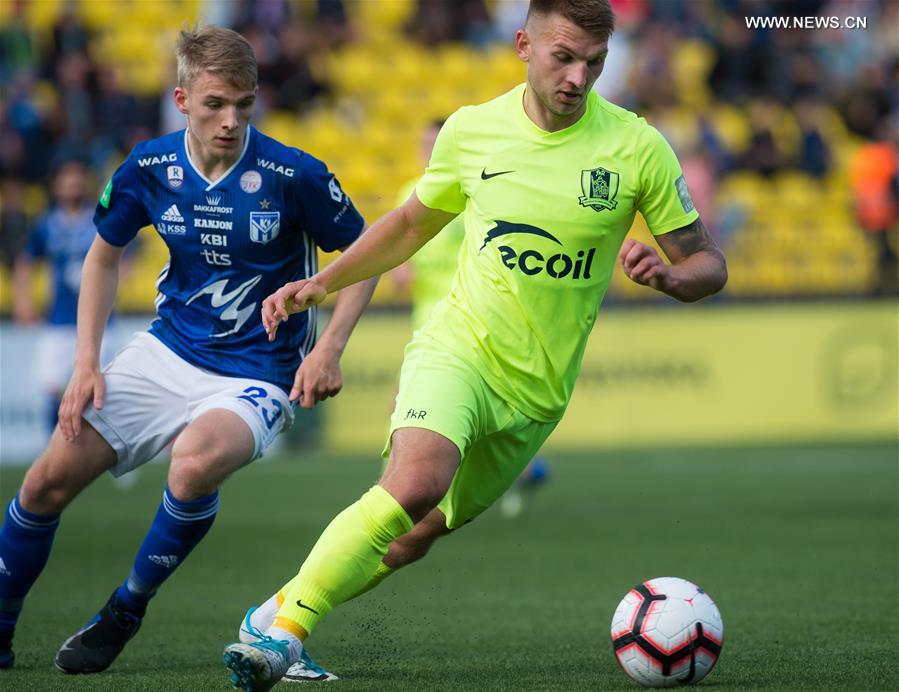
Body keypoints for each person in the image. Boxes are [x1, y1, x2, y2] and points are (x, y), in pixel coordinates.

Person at [224, 1, 727, 689]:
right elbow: (406, 226)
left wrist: (672, 277)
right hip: (456, 347)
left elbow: (709, 265)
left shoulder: (636, 146)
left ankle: (273, 611)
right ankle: (285, 638)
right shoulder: (471, 131)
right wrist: (320, 288)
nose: (578, 76)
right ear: (523, 45)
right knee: (414, 482)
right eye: (563, 56)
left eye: (593, 62)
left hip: (537, 392)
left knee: (413, 536)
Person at [0, 25, 377, 680]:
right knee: (43, 482)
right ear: (181, 99)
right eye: (214, 105)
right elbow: (102, 255)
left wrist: (330, 348)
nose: (230, 120)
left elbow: (366, 256)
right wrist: (86, 364)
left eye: (243, 103)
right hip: (167, 352)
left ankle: (125, 608)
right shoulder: (149, 167)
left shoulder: (293, 174)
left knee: (193, 460)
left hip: (259, 373)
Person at [391, 120, 550, 521]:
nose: (428, 152)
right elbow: (400, 264)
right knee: (426, 410)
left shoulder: (475, 191)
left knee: (425, 406)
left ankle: (392, 498)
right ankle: (521, 472)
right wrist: (401, 271)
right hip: (427, 320)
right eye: (424, 144)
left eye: (435, 144)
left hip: (472, 320)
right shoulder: (408, 193)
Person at [12, 158, 117, 435]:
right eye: (67, 177)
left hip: (99, 323)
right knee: (52, 387)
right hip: (58, 320)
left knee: (102, 390)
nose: (73, 182)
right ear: (56, 185)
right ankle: (54, 448)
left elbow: (121, 255)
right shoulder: (46, 225)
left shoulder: (99, 219)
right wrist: (23, 300)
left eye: (78, 176)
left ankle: (111, 452)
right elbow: (26, 261)